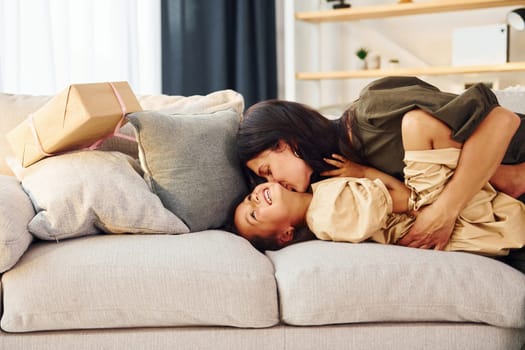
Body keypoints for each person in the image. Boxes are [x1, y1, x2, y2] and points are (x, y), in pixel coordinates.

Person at [237, 76, 525, 253]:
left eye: (267, 171)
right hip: (502, 219)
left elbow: (502, 120)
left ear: (285, 142)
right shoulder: (335, 187)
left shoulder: (373, 110)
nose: (272, 182)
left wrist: (442, 212)